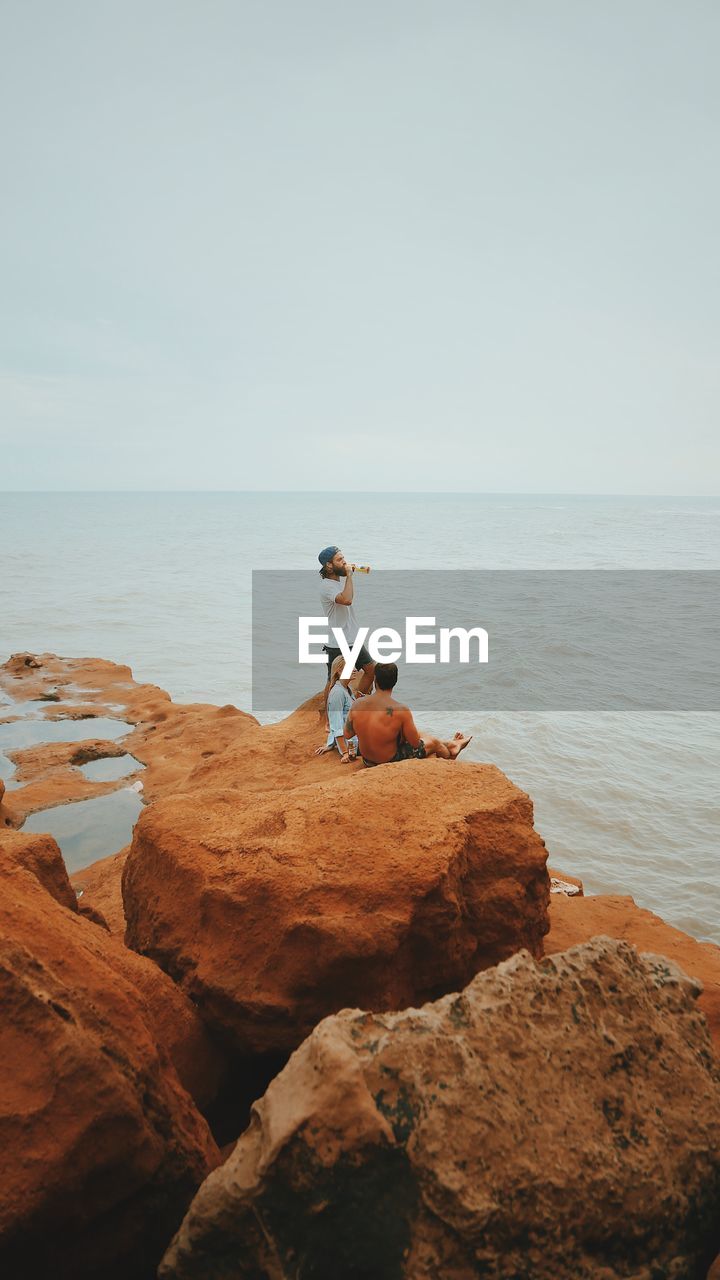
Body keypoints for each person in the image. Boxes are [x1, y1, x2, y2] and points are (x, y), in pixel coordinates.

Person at [344, 661, 472, 767]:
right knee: (432, 742)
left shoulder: (357, 704)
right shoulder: (400, 710)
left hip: (367, 759)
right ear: (395, 681)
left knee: (419, 733)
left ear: (375, 680)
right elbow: (416, 744)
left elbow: (348, 734)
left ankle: (450, 744)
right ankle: (451, 753)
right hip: (387, 761)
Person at [317, 546, 375, 715]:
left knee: (371, 671)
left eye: (344, 559)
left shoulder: (335, 583)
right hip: (338, 642)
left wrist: (349, 576)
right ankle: (328, 718)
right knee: (333, 680)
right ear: (329, 565)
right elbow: (347, 600)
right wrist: (349, 575)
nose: (344, 562)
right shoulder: (326, 586)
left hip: (352, 638)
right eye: (339, 560)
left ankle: (355, 705)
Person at [314, 656, 359, 763]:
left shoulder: (346, 689)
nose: (355, 670)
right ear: (339, 671)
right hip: (353, 745)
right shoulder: (337, 693)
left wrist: (330, 743)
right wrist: (345, 753)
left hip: (356, 737)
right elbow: (336, 725)